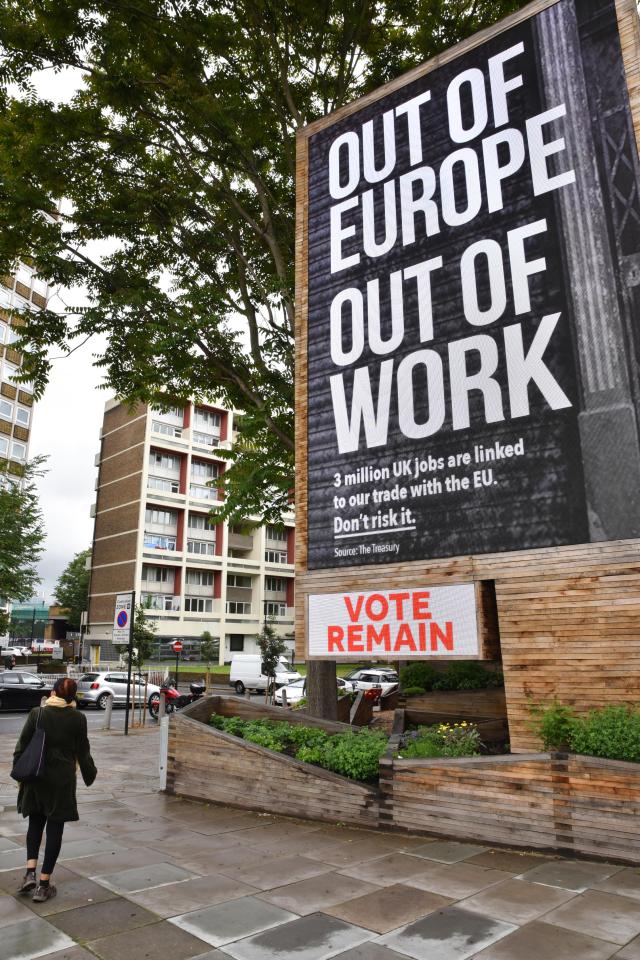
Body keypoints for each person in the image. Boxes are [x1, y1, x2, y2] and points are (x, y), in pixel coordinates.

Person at [13, 677, 97, 902]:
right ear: (73, 697)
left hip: (36, 778)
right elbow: (83, 751)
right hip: (61, 781)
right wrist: (90, 773)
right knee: (54, 830)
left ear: (52, 693)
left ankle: (29, 872)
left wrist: (19, 774)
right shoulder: (78, 718)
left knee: (35, 823)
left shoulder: (37, 714)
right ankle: (43, 884)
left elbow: (21, 746)